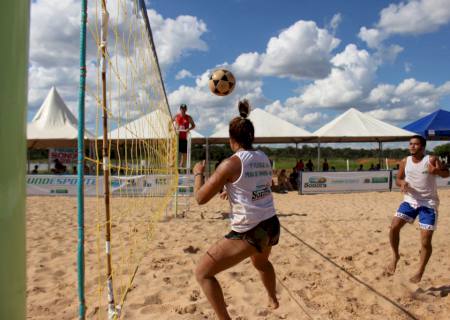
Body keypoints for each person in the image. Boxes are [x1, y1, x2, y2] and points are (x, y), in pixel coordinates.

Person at [193, 99, 280, 319]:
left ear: (232, 140)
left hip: (250, 231)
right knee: (261, 262)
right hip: (271, 225)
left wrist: (197, 173)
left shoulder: (230, 163)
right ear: (252, 137)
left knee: (203, 273)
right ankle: (272, 298)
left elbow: (200, 198)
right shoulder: (263, 157)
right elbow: (260, 186)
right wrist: (230, 190)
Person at [386, 135, 449, 283]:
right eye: (410, 144)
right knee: (394, 226)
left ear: (422, 147)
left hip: (428, 203)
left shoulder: (432, 159)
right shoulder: (405, 161)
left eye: (415, 144)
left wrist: (437, 172)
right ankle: (395, 256)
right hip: (410, 200)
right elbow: (398, 179)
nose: (412, 146)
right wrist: (401, 183)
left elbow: (447, 173)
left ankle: (419, 271)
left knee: (426, 241)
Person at [173, 104, 196, 171]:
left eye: (184, 109)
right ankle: (174, 165)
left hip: (184, 137)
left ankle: (181, 166)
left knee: (184, 153)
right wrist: (173, 129)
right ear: (180, 109)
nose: (183, 110)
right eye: (182, 109)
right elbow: (169, 122)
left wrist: (188, 129)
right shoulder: (176, 116)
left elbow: (193, 125)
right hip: (177, 137)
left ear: (186, 109)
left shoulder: (188, 117)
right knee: (175, 152)